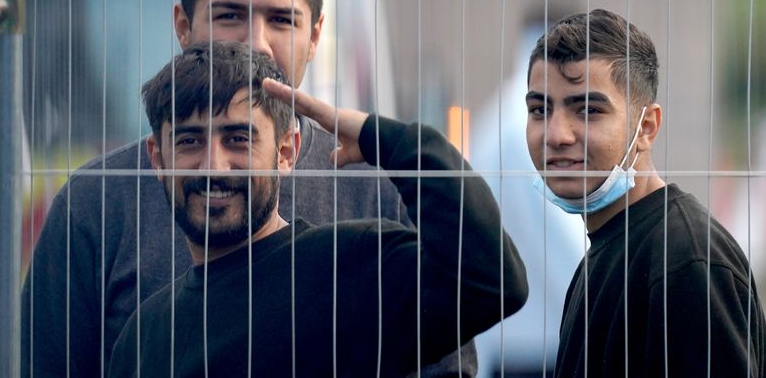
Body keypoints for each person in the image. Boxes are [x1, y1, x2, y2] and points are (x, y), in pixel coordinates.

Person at [22, 0, 471, 377]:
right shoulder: (97, 203)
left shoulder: (376, 194)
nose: (257, 43)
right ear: (182, 26)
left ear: (315, 36)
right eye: (230, 15)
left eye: (281, 20)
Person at [109, 41, 529, 377]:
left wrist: (381, 138)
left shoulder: (353, 269)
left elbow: (489, 282)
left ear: (286, 152)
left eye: (238, 139)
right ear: (158, 159)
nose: (213, 165)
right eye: (189, 142)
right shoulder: (142, 338)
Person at [525, 8, 766, 377]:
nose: (557, 134)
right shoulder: (605, 252)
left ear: (647, 126)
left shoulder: (686, 261)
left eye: (588, 110)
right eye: (539, 109)